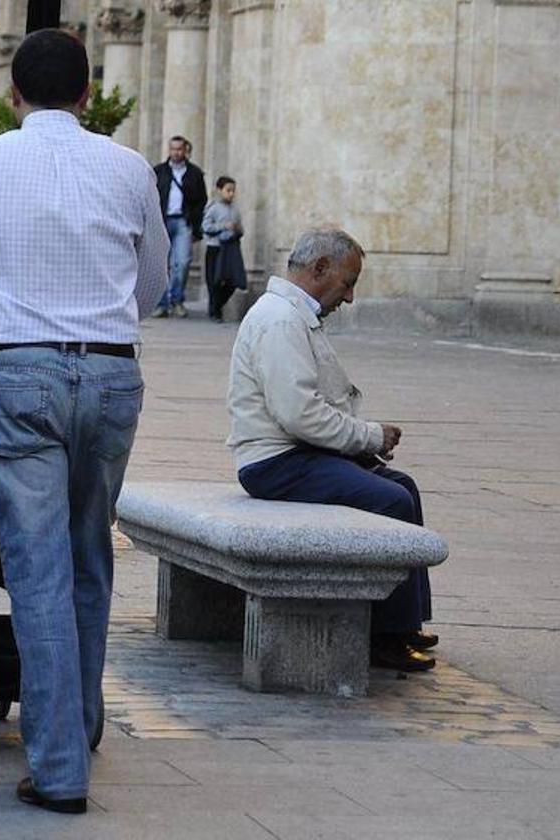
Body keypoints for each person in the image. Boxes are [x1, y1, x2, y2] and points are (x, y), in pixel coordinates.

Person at [0, 29, 167, 815]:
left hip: (20, 373)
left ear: (12, 95)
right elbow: (152, 282)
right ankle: (78, 724)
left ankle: (57, 770)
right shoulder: (128, 169)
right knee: (90, 553)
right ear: (88, 95)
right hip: (113, 371)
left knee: (39, 571)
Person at [226, 227, 436, 672]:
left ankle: (407, 621)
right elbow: (299, 415)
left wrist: (361, 446)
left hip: (298, 453)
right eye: (349, 282)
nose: (351, 297)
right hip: (275, 462)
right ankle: (383, 636)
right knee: (390, 501)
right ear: (320, 269)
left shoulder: (293, 315)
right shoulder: (280, 320)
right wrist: (369, 437)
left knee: (404, 486)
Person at [152, 135, 206, 318]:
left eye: (179, 149)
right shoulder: (159, 172)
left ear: (186, 150)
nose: (176, 152)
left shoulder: (195, 174)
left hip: (184, 222)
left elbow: (201, 203)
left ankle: (177, 300)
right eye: (173, 149)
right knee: (160, 264)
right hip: (162, 221)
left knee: (181, 263)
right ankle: (161, 303)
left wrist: (197, 229)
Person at [201, 175, 245, 322]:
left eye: (233, 191)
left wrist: (237, 229)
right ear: (220, 190)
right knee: (214, 280)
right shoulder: (213, 208)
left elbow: (241, 230)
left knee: (231, 281)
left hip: (230, 249)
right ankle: (214, 310)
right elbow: (206, 227)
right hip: (215, 248)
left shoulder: (236, 210)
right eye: (228, 190)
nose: (231, 193)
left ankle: (218, 305)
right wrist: (222, 227)